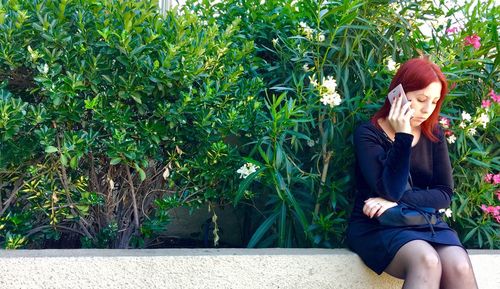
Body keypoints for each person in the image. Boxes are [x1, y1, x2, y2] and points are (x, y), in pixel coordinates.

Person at [346, 57, 478, 289]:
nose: (427, 110)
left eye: (434, 102)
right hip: (378, 225)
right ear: (398, 94)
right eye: (420, 99)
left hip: (422, 221)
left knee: (460, 266)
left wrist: (398, 204)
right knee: (426, 260)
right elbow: (389, 189)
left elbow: (444, 193)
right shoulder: (368, 134)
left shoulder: (432, 133)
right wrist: (403, 136)